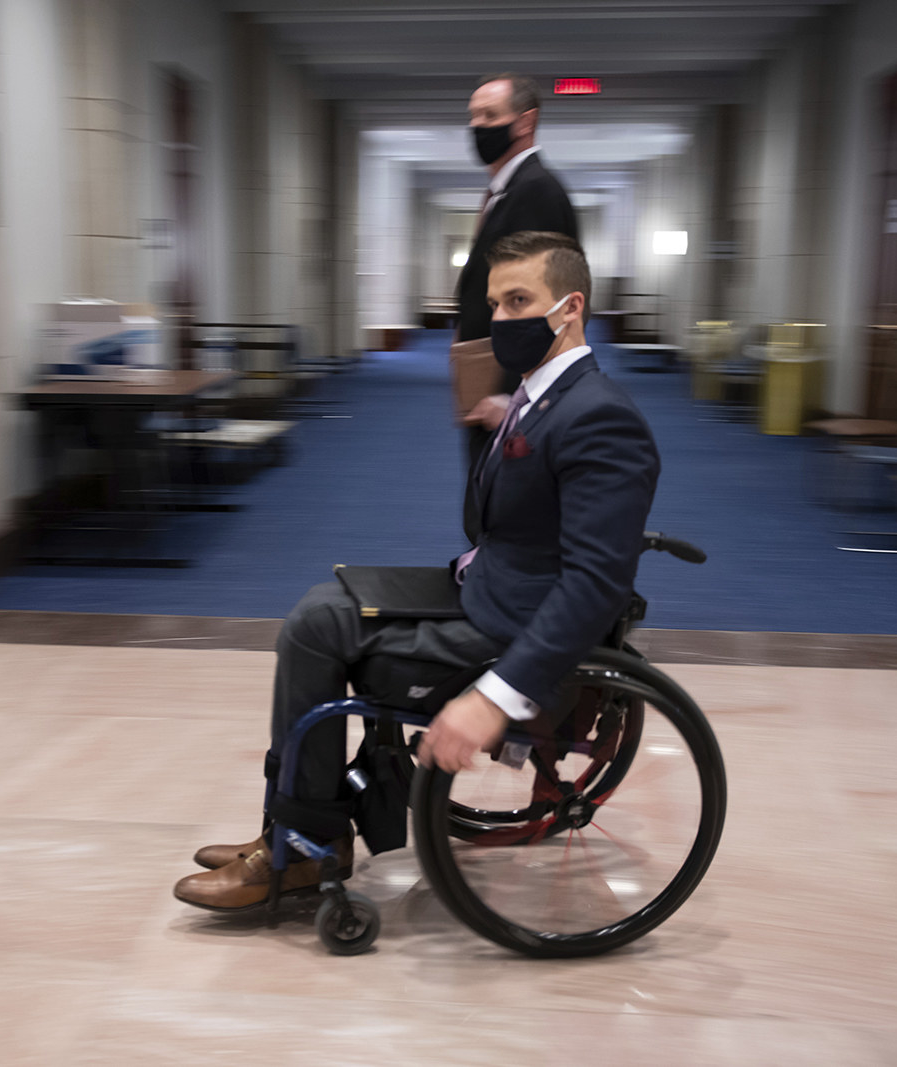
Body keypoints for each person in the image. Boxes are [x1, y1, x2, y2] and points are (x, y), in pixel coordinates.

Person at [174, 232, 660, 912]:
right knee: (320, 608)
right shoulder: (545, 395)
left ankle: (307, 845)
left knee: (316, 631)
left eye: (520, 300)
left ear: (570, 307)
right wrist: (507, 422)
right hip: (490, 584)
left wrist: (494, 696)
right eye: (495, 304)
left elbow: (595, 584)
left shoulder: (600, 415)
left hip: (513, 626)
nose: (502, 319)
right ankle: (294, 831)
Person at [454, 73, 579, 469]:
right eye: (473, 116)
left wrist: (514, 396)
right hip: (487, 377)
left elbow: (542, 302)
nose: (477, 127)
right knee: (489, 502)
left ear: (525, 122)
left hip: (512, 393)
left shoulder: (535, 192)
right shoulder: (507, 192)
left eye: (489, 115)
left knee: (507, 511)